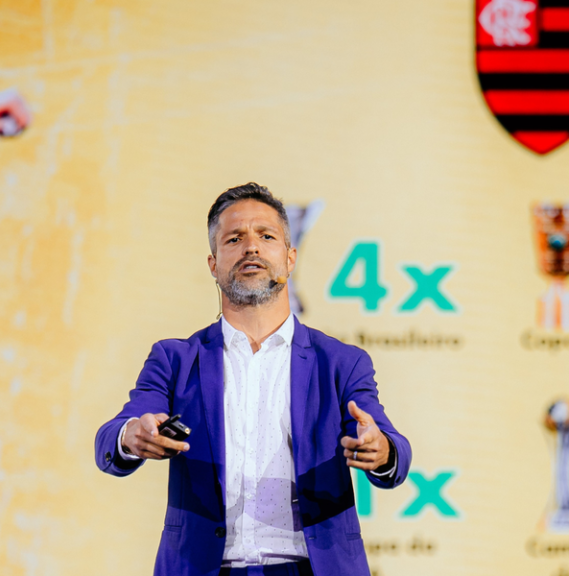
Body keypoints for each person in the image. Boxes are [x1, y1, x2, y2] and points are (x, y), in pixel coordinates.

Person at [94, 183, 411, 576]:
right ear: (213, 264)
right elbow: (110, 440)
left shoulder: (340, 362)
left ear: (290, 257)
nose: (251, 247)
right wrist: (131, 437)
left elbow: (392, 449)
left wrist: (380, 451)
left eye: (266, 236)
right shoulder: (175, 359)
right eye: (234, 238)